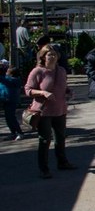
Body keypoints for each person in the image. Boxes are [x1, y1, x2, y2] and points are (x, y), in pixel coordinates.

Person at [25, 45, 74, 178]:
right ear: (43, 57)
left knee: (60, 138)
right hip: (44, 112)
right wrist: (43, 92)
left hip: (60, 110)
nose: (52, 57)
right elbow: (28, 90)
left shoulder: (62, 71)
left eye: (54, 54)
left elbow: (63, 86)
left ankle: (62, 162)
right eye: (49, 54)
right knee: (45, 140)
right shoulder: (37, 72)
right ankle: (44, 169)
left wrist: (68, 92)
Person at [0, 62, 23, 140]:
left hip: (10, 101)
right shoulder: (7, 78)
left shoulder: (14, 80)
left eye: (7, 71)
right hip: (4, 100)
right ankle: (13, 133)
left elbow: (3, 79)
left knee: (11, 117)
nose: (6, 72)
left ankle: (19, 132)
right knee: (8, 118)